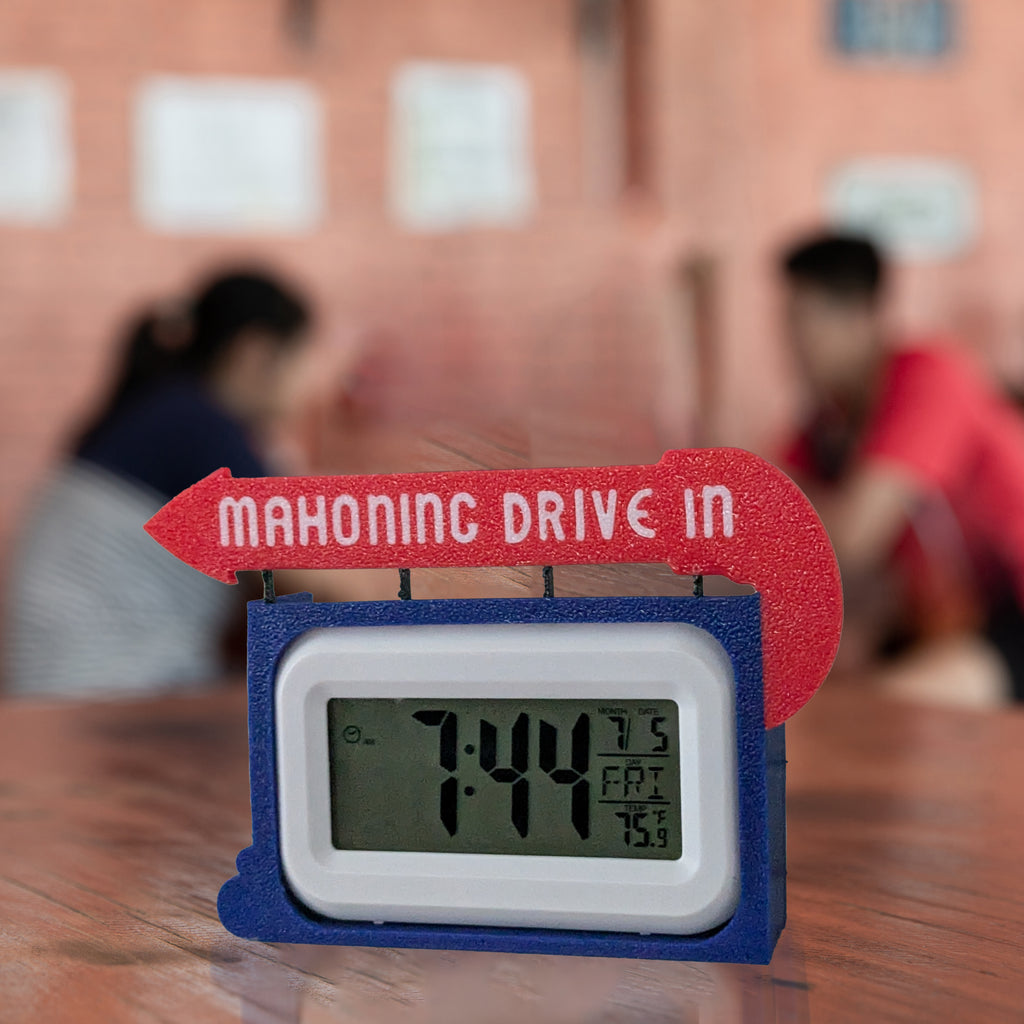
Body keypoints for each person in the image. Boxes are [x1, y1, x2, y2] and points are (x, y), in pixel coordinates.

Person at [4, 268, 312, 697]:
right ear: (256, 351)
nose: (308, 384)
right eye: (304, 359)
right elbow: (310, 568)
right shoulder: (200, 428)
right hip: (109, 691)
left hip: (57, 683)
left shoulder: (159, 408)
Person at [781, 232, 1024, 707]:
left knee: (882, 706)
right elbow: (767, 518)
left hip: (1012, 609)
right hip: (950, 614)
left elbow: (851, 537)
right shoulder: (828, 426)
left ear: (861, 315)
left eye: (803, 320)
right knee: (830, 691)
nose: (792, 343)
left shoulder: (930, 376)